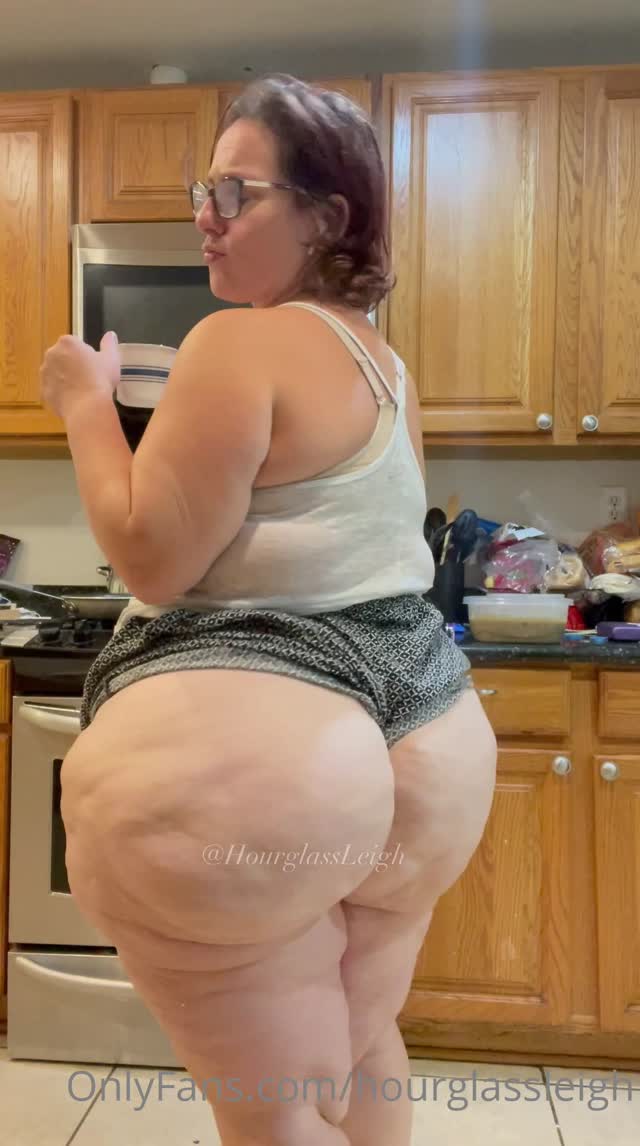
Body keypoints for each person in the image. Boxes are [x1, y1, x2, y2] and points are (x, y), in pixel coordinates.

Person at [40, 74, 497, 1146]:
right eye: (205, 190)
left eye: (236, 193)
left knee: (275, 1109)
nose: (206, 215)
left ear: (323, 218)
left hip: (267, 764)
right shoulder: (382, 364)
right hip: (424, 745)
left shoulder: (237, 342)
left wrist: (85, 407)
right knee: (357, 1051)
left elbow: (152, 558)